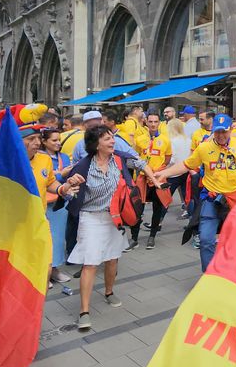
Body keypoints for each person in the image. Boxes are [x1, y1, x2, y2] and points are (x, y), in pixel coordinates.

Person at [64, 126, 155, 330]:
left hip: (114, 216)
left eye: (112, 137)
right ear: (96, 144)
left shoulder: (120, 159)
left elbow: (141, 163)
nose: (112, 141)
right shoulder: (84, 166)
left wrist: (155, 179)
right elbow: (68, 191)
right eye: (107, 139)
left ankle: (109, 292)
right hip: (91, 217)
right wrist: (70, 186)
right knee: (90, 263)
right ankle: (84, 311)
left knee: (112, 258)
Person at [153, 114, 236, 270]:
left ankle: (235, 272)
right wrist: (165, 173)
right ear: (213, 131)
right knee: (206, 239)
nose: (221, 136)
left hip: (235, 200)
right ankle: (208, 275)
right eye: (217, 132)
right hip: (211, 199)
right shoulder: (204, 147)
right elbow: (187, 165)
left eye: (225, 132)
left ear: (230, 130)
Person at [130, 111, 171, 250]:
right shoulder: (140, 139)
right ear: (146, 122)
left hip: (158, 178)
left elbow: (168, 158)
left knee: (157, 209)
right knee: (137, 208)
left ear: (159, 123)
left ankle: (152, 236)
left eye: (156, 121)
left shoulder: (165, 139)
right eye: (150, 121)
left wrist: (159, 169)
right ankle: (134, 238)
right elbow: (135, 157)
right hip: (142, 178)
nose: (153, 124)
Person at [41, 128, 75, 285]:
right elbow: (46, 180)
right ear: (44, 141)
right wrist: (61, 174)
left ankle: (54, 270)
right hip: (43, 204)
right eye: (54, 140)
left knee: (59, 238)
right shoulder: (40, 158)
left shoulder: (64, 157)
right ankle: (43, 272)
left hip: (61, 202)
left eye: (58, 140)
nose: (58, 143)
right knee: (43, 239)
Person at [167, 117, 192, 208]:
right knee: (187, 195)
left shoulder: (171, 141)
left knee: (165, 198)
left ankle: (159, 220)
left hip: (173, 173)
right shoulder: (189, 140)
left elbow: (172, 159)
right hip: (186, 170)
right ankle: (189, 213)